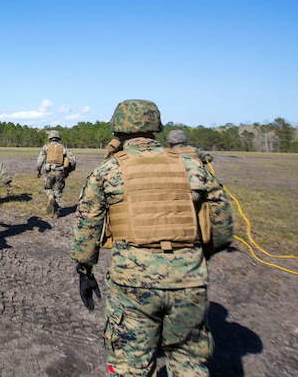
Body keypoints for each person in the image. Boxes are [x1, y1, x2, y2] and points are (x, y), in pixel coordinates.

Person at [72, 99, 234, 376]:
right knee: (189, 363)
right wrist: (197, 256)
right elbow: (221, 226)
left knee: (131, 365)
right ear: (155, 128)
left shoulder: (108, 171)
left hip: (132, 284)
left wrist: (85, 270)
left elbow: (87, 227)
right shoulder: (193, 167)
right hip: (189, 279)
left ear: (118, 129)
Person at [36, 130, 76, 218]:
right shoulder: (63, 148)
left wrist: (38, 171)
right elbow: (73, 160)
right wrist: (69, 170)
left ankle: (50, 196)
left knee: (48, 188)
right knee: (58, 191)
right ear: (58, 138)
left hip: (49, 171)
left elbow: (40, 161)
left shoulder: (46, 147)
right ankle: (56, 212)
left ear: (50, 137)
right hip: (60, 171)